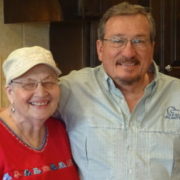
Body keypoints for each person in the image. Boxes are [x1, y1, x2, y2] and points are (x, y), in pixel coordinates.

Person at [54, 2, 180, 180]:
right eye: (117, 41)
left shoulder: (177, 94)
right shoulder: (70, 90)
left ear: (151, 49)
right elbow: (22, 112)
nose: (128, 52)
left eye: (139, 41)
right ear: (100, 48)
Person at [0, 46, 80, 180]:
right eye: (28, 84)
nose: (41, 93)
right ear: (10, 93)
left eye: (48, 82)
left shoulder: (63, 130)